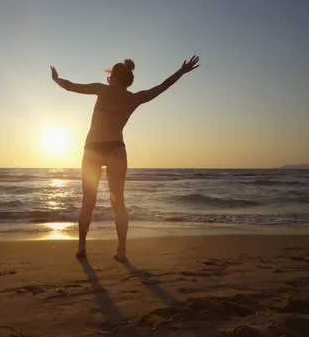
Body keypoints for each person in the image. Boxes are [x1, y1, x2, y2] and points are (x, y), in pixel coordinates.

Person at [51, 56, 200, 261]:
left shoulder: (101, 89)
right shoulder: (133, 98)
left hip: (93, 149)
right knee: (118, 201)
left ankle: (82, 247)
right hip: (116, 150)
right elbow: (161, 87)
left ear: (112, 77)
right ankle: (121, 250)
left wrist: (56, 79)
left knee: (88, 201)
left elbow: (70, 86)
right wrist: (181, 72)